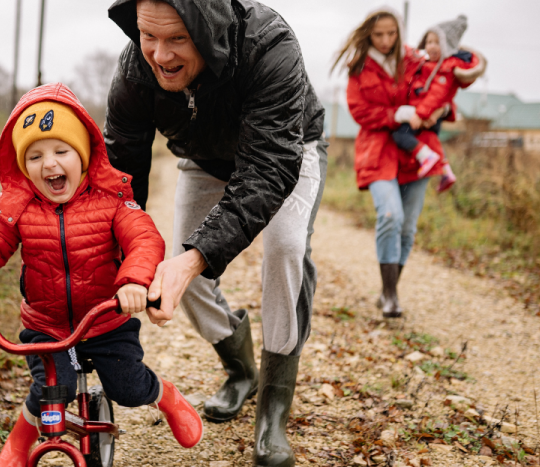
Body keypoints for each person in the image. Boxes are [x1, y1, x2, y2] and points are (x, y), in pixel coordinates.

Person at [105, 0, 326, 465]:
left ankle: (273, 409)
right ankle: (241, 371)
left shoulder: (270, 46)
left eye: (177, 39)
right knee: (181, 263)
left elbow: (268, 169)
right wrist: (120, 259)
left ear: (208, 30)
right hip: (205, 159)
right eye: (149, 36)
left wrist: (195, 258)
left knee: (284, 247)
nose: (160, 55)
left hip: (286, 149)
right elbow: (121, 174)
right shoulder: (134, 69)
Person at [0, 83, 203, 467]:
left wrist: (134, 281)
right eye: (35, 156)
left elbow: (144, 238)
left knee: (127, 387)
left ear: (84, 155)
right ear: (21, 165)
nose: (49, 164)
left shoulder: (111, 201)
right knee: (49, 391)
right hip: (47, 326)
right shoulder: (19, 208)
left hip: (105, 320)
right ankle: (17, 444)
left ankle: (166, 396)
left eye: (62, 151)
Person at [332, 7, 442, 318]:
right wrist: (395, 115)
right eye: (378, 34)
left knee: (407, 228)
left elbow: (440, 85)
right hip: (377, 150)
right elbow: (359, 111)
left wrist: (439, 109)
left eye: (391, 34)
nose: (384, 40)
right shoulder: (359, 67)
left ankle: (387, 291)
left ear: (399, 33)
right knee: (390, 215)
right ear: (369, 34)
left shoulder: (414, 59)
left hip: (415, 151)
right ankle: (391, 295)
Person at [392, 15, 486, 192]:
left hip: (424, 114)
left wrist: (420, 115)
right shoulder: (427, 65)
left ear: (447, 46)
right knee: (430, 140)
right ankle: (446, 171)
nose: (431, 46)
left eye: (437, 42)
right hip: (426, 113)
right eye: (429, 42)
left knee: (400, 136)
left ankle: (425, 157)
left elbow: (436, 95)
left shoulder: (445, 69)